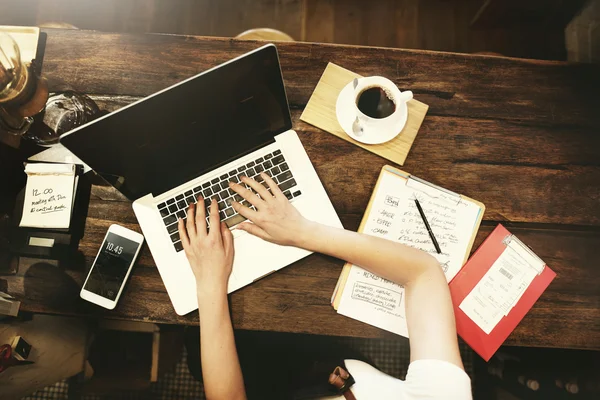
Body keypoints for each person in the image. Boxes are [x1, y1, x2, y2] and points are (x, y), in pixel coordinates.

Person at [177, 172, 472, 400]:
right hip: (331, 364)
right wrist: (303, 232)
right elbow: (424, 273)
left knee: (194, 350)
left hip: (272, 383)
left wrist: (210, 283)